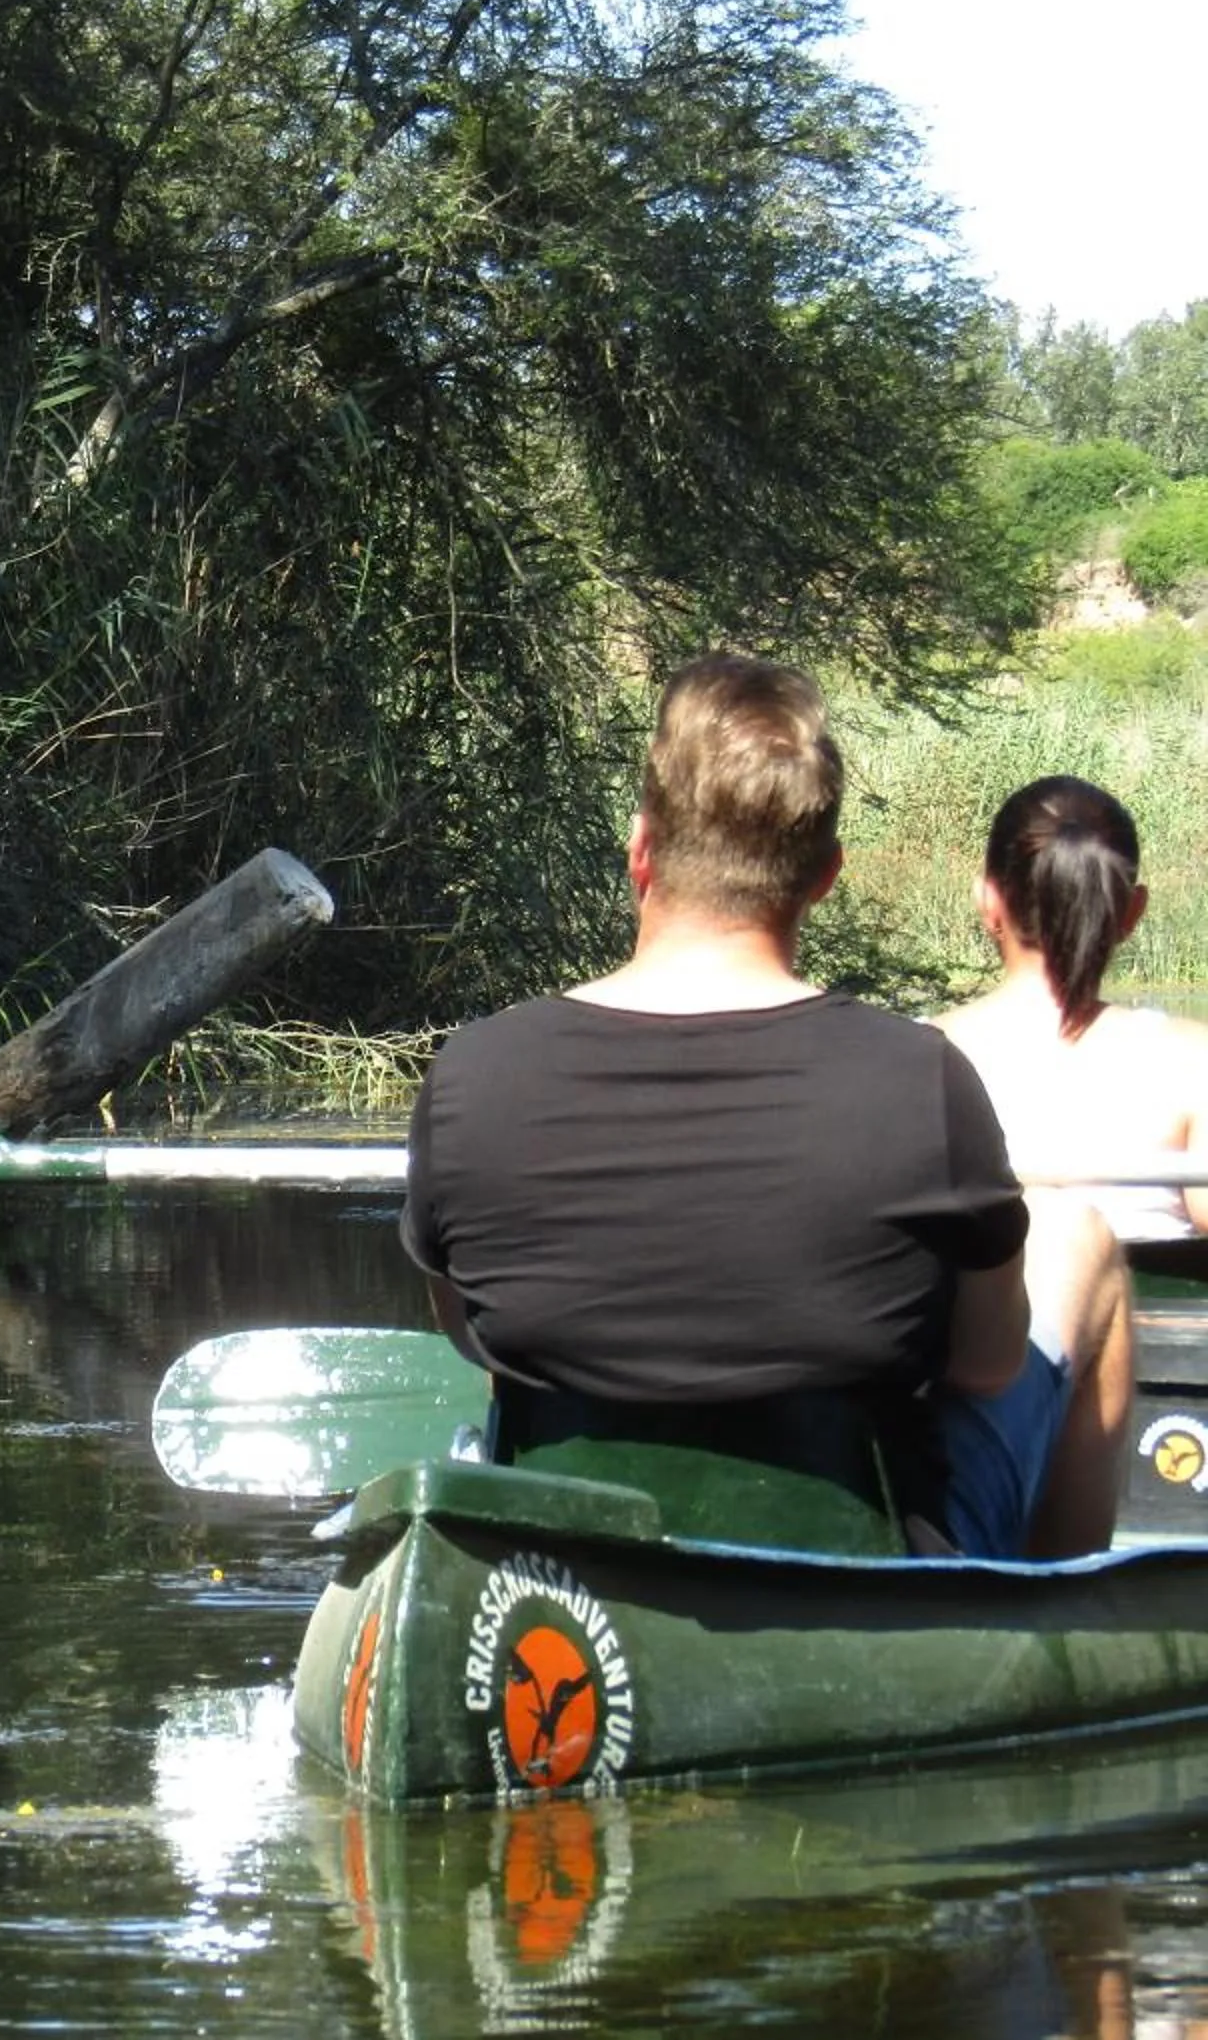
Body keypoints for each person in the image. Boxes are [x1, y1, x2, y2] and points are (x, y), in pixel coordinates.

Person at [399, 652, 1072, 1556]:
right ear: (824, 877)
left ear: (642, 849)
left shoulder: (473, 1075)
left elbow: (476, 1340)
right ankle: (1066, 1628)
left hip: (568, 1596)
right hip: (852, 1572)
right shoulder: (925, 1079)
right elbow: (987, 1368)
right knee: (1087, 1257)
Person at [929, 776, 1202, 1554]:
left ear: (990, 901)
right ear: (1132, 912)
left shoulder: (914, 1060)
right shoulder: (1191, 1065)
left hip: (955, 1398)